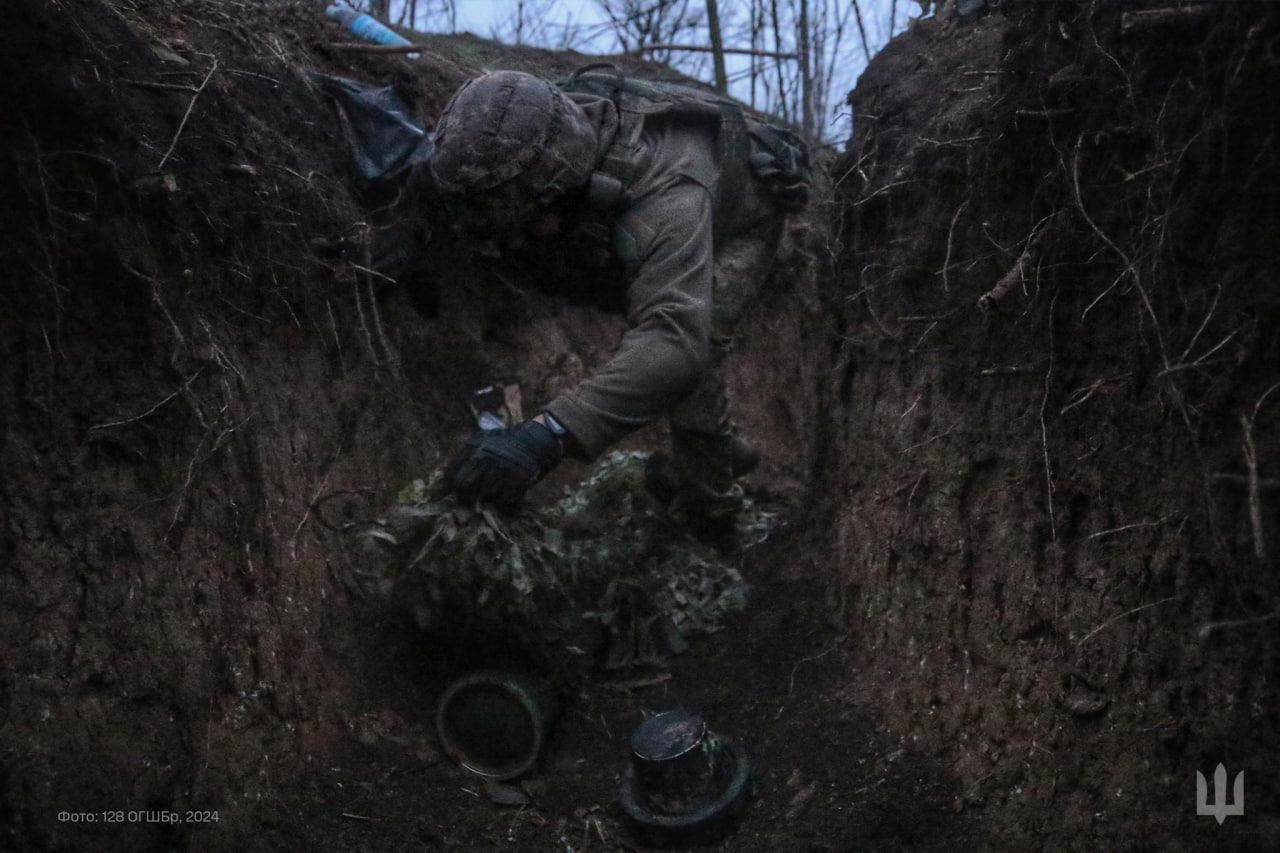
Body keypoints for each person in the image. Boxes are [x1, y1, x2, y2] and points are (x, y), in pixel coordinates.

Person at [429, 68, 810, 517]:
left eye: (530, 217)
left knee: (698, 362)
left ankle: (713, 508)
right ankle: (728, 451)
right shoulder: (531, 131)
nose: (520, 236)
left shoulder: (667, 203)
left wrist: (547, 434)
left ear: (564, 191)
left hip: (743, 210)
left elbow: (673, 346)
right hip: (659, 198)